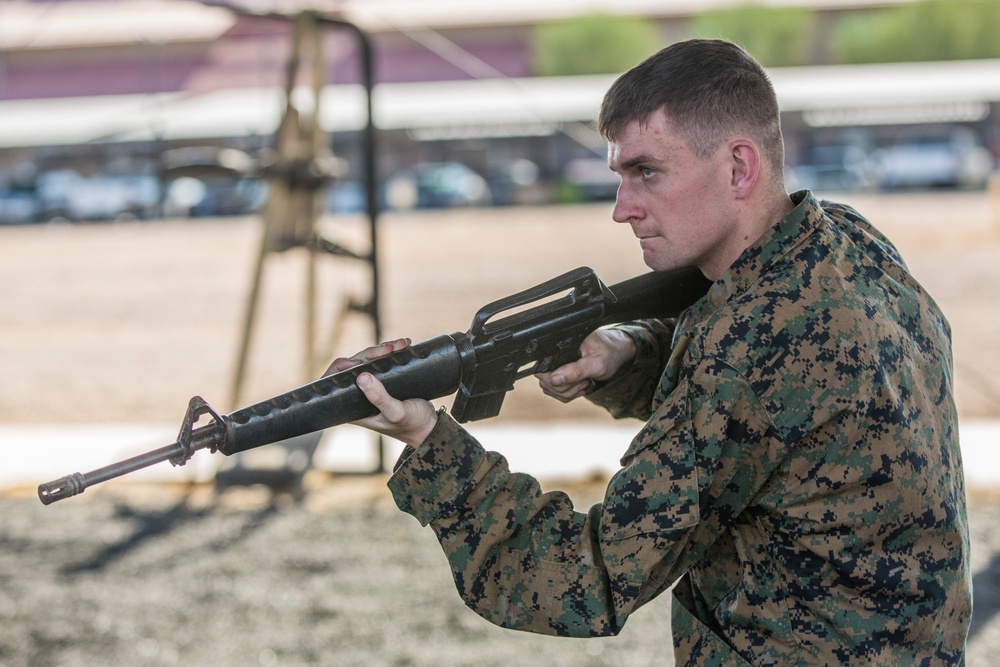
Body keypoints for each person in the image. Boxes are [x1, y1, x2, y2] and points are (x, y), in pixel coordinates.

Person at [326, 39, 972, 665]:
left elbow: (580, 581)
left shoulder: (747, 352)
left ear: (739, 167)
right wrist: (625, 349)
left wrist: (428, 438)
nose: (622, 208)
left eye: (647, 172)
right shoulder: (847, 241)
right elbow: (785, 391)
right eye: (620, 175)